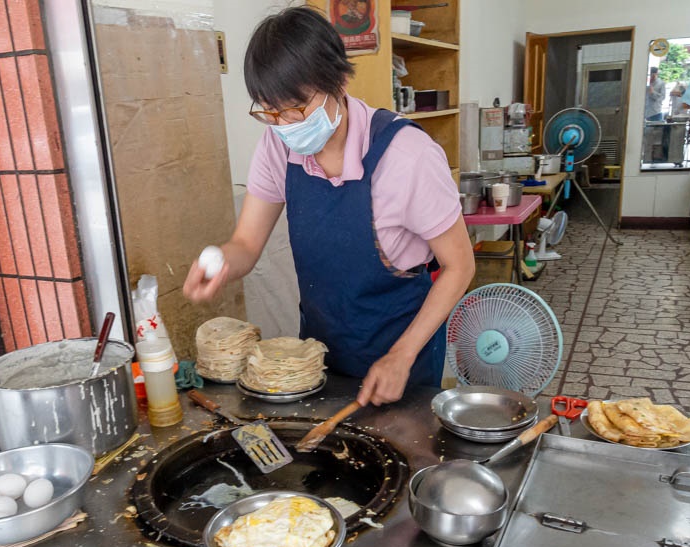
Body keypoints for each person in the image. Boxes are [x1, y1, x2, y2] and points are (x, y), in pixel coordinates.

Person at [182, 7, 474, 406]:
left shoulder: (408, 156)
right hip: (321, 354)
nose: (285, 125)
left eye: (297, 108)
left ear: (338, 80)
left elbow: (460, 265)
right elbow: (247, 245)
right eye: (270, 111)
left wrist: (401, 357)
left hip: (404, 353)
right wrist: (218, 263)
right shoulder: (277, 145)